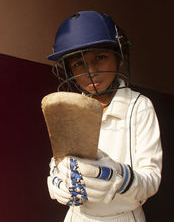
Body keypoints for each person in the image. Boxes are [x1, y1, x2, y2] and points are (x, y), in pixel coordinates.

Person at [46, 11, 163, 222]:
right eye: (78, 63)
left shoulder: (139, 106)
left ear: (119, 58)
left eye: (100, 58)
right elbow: (60, 160)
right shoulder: (71, 108)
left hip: (123, 216)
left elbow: (152, 180)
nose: (91, 72)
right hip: (77, 216)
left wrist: (117, 175)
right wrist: (56, 182)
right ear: (69, 71)